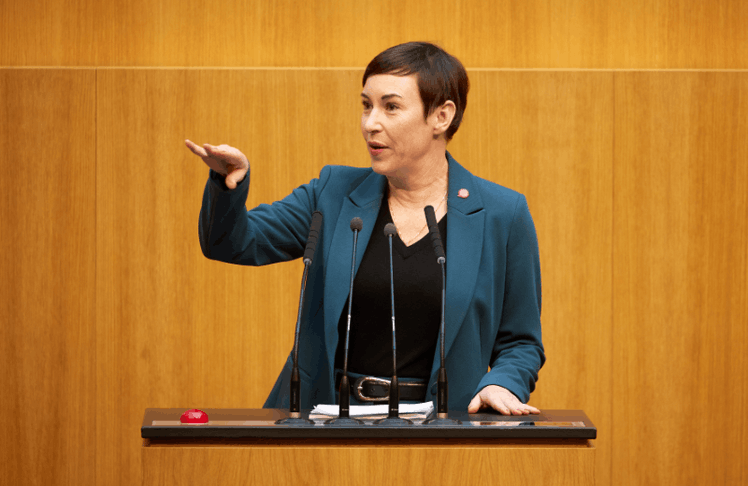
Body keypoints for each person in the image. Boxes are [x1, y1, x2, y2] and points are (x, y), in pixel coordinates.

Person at [186, 42, 544, 415]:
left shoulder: (503, 214)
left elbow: (521, 342)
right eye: (366, 105)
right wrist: (226, 185)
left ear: (441, 116)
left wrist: (503, 382)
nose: (370, 123)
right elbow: (231, 243)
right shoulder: (331, 193)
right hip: (324, 419)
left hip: (442, 426)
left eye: (391, 107)